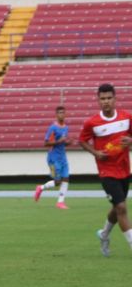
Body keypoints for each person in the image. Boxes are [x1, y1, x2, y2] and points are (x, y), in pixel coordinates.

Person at [79, 84, 132, 257]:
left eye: (109, 98)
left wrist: (130, 141)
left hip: (124, 169)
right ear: (98, 100)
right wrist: (95, 152)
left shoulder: (126, 117)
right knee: (122, 207)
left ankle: (103, 234)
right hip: (106, 171)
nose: (106, 101)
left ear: (115, 99)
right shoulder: (92, 123)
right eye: (102, 99)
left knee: (117, 208)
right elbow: (82, 140)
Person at [34, 106, 73, 209]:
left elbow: (63, 143)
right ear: (56, 115)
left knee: (66, 178)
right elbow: (46, 143)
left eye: (63, 113)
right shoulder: (53, 128)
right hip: (53, 158)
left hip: (63, 157)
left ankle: (60, 202)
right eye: (59, 113)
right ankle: (41, 187)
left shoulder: (66, 127)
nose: (61, 114)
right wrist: (59, 141)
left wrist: (68, 143)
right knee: (57, 182)